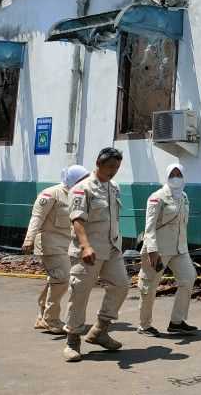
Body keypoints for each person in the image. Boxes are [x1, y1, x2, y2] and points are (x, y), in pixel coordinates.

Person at [62, 147, 129, 362]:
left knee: (121, 286)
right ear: (98, 164)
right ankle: (72, 341)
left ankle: (100, 330)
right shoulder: (82, 188)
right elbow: (77, 220)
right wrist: (85, 246)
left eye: (117, 167)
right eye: (110, 166)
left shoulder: (114, 187)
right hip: (88, 250)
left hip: (111, 248)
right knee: (79, 292)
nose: (113, 171)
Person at [22, 165, 90, 334]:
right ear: (73, 178)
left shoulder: (79, 195)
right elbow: (37, 217)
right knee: (62, 278)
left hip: (68, 244)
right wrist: (29, 239)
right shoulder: (51, 194)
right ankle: (51, 319)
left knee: (57, 279)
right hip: (49, 243)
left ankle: (42, 316)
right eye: (82, 179)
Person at [138, 163, 197, 336]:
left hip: (179, 249)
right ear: (167, 176)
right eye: (173, 174)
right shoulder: (157, 197)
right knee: (149, 287)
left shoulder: (184, 196)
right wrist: (152, 250)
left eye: (179, 174)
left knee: (188, 278)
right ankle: (145, 325)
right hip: (158, 250)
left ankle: (176, 322)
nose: (176, 177)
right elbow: (149, 228)